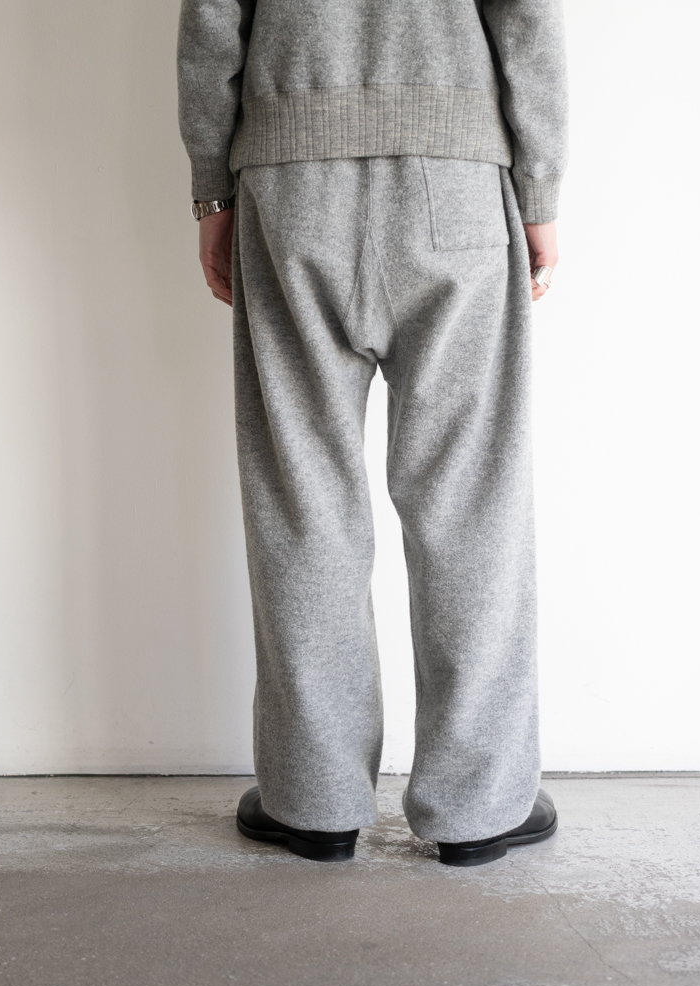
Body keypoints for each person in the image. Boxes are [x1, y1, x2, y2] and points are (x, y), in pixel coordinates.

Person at [178, 0, 567, 867]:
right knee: (471, 498)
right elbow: (527, 13)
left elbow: (211, 16)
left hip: (290, 181)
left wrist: (212, 186)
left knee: (301, 493)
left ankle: (313, 800)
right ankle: (479, 806)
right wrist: (540, 187)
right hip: (457, 180)